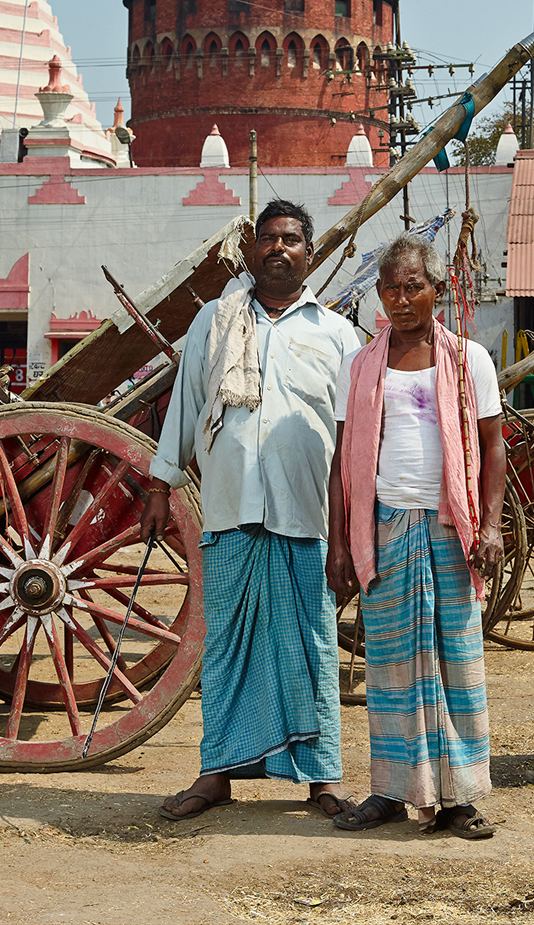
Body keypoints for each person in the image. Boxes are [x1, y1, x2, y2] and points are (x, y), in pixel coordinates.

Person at [140, 199, 361, 823]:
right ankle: (217, 774)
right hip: (230, 509)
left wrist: (355, 523)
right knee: (228, 647)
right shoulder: (214, 321)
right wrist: (159, 486)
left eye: (291, 239)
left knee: (312, 644)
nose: (278, 249)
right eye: (268, 238)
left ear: (308, 254)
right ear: (251, 249)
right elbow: (183, 407)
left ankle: (321, 781)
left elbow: (354, 434)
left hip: (306, 515)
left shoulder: (336, 334)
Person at [325, 233, 506, 838]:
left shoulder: (469, 360)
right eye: (391, 289)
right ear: (379, 295)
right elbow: (343, 460)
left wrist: (495, 524)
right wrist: (340, 544)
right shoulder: (363, 364)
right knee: (391, 668)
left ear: (436, 290)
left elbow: (492, 445)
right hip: (385, 529)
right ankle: (389, 792)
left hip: (451, 531)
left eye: (413, 287)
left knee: (458, 663)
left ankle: (458, 799)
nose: (401, 300)